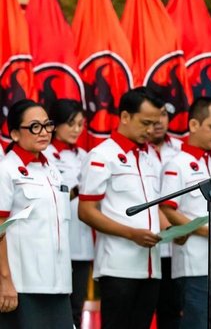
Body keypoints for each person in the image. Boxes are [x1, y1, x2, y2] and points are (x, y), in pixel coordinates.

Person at [78, 87, 171, 329]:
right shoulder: (101, 156)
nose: (151, 130)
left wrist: (172, 230)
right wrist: (131, 234)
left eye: (155, 123)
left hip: (152, 266)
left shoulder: (148, 156)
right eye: (145, 123)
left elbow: (154, 207)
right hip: (118, 266)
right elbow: (86, 211)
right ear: (125, 117)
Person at [159, 97, 211, 329]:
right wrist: (204, 231)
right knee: (197, 324)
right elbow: (167, 208)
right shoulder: (177, 165)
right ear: (193, 125)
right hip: (196, 264)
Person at [0, 99, 73, 328]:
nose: (43, 132)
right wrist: (5, 281)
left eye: (47, 125)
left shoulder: (52, 170)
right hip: (23, 285)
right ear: (14, 133)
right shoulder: (6, 170)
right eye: (34, 127)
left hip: (59, 283)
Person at [43, 98, 92, 329]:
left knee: (76, 305)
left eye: (81, 124)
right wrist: (77, 190)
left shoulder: (85, 155)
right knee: (54, 304)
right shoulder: (46, 155)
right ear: (55, 125)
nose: (76, 130)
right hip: (55, 243)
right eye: (71, 123)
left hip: (82, 243)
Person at [145, 90, 183, 329]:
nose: (159, 122)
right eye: (153, 117)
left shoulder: (181, 149)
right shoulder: (135, 150)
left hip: (175, 246)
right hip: (143, 242)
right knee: (140, 311)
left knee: (171, 310)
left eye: (164, 115)